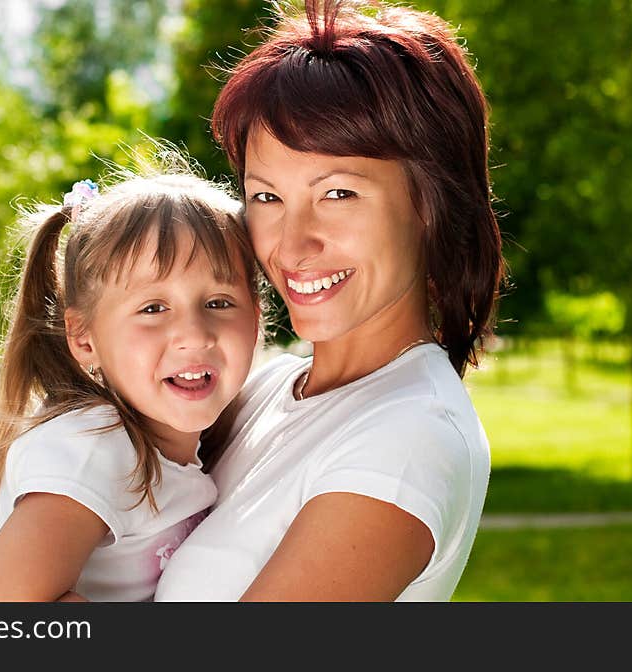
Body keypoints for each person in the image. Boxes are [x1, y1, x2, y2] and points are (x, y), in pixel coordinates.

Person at [154, 0, 505, 601]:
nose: (292, 244)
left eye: (338, 193)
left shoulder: (408, 437)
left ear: (430, 204)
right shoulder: (264, 390)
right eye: (266, 197)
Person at [0, 154, 261, 602]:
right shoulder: (92, 445)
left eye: (219, 302)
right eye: (153, 309)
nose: (194, 336)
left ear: (257, 315)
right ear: (85, 338)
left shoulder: (189, 443)